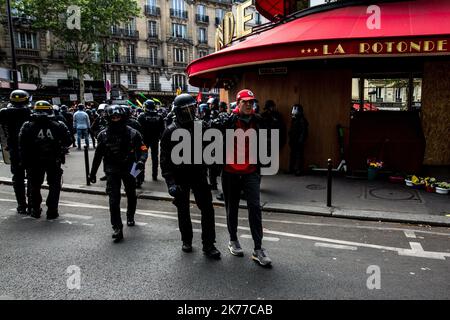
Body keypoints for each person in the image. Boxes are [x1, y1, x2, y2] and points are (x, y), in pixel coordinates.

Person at [160, 93, 221, 259]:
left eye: (192, 108)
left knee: (207, 209)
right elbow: (165, 160)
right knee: (183, 209)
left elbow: (213, 147)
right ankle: (186, 239)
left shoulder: (202, 126)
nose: (191, 112)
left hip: (199, 174)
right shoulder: (170, 131)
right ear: (179, 111)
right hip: (180, 175)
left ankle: (209, 244)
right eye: (187, 109)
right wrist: (170, 182)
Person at [221, 89, 272, 267]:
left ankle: (258, 248)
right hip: (230, 171)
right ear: (238, 103)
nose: (249, 105)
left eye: (252, 102)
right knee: (232, 207)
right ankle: (233, 239)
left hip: (251, 171)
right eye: (246, 102)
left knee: (255, 208)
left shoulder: (258, 121)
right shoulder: (227, 120)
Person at [89, 105, 148, 242]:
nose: (115, 119)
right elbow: (98, 155)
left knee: (131, 194)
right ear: (108, 118)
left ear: (123, 117)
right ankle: (117, 227)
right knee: (113, 200)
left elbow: (143, 149)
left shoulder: (133, 133)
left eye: (118, 117)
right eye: (113, 117)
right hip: (112, 169)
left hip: (130, 167)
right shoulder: (103, 135)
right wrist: (92, 173)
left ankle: (130, 216)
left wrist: (141, 161)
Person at [18, 101, 73, 219]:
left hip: (34, 161)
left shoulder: (27, 125)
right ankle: (52, 210)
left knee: (34, 186)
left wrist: (24, 161)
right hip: (53, 160)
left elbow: (22, 145)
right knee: (54, 185)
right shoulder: (59, 125)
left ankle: (35, 209)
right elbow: (68, 141)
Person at [0, 90, 32, 215]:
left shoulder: (4, 113)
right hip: (29, 149)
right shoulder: (30, 111)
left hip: (13, 149)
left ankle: (21, 205)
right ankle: (32, 204)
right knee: (31, 177)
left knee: (17, 178)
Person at [137, 99, 165, 183]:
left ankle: (139, 178)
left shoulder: (141, 116)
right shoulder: (159, 116)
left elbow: (138, 129)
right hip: (155, 140)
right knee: (155, 158)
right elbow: (162, 130)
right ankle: (155, 175)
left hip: (143, 141)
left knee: (140, 158)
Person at [288, 104, 308, 176]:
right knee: (292, 155)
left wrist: (301, 140)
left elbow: (304, 131)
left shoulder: (302, 120)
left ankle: (299, 170)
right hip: (294, 140)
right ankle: (291, 169)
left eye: (295, 109)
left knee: (299, 155)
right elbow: (292, 130)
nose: (293, 111)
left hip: (299, 141)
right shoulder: (294, 119)